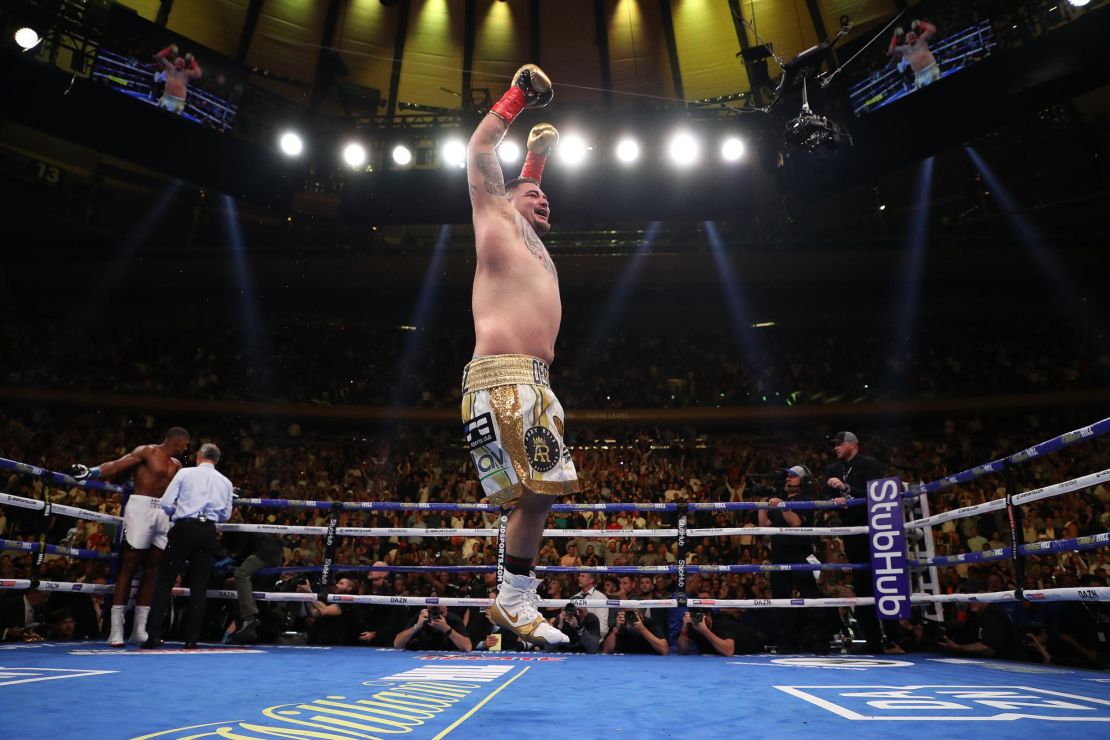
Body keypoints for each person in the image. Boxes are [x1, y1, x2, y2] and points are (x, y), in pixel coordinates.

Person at [461, 63, 578, 647]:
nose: (545, 200)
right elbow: (481, 148)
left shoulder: (531, 242)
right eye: (535, 193)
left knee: (537, 494)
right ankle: (513, 598)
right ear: (505, 198)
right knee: (538, 492)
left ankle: (513, 596)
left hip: (531, 382)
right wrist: (518, 98)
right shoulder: (496, 218)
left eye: (546, 194)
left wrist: (538, 158)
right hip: (505, 377)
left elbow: (526, 187)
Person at [69, 426, 191, 646]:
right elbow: (118, 464)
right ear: (178, 441)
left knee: (153, 568)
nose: (187, 448)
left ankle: (139, 630)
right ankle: (116, 630)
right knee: (129, 563)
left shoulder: (178, 465)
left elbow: (188, 491)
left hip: (163, 512)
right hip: (140, 507)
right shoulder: (147, 451)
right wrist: (93, 472)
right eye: (186, 444)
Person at [141, 443, 234, 649]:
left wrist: (177, 513)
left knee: (164, 583)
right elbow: (226, 515)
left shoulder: (185, 474)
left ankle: (153, 636)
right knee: (199, 588)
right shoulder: (226, 482)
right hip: (207, 532)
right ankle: (192, 640)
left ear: (199, 456)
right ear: (216, 460)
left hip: (184, 529)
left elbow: (165, 503)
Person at [822, 431, 886, 651]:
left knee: (885, 581)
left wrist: (846, 488)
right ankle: (873, 640)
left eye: (839, 444)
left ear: (852, 444)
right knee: (862, 583)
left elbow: (879, 495)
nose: (835, 448)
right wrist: (835, 499)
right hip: (852, 530)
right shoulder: (832, 469)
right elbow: (825, 496)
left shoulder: (869, 465)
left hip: (877, 530)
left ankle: (894, 639)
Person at [758, 465, 833, 653]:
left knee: (811, 598)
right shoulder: (781, 501)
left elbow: (796, 522)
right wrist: (761, 504)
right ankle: (786, 642)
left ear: (803, 481)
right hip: (779, 557)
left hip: (800, 556)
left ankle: (820, 641)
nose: (788, 479)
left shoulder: (806, 500)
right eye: (787, 476)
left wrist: (782, 505)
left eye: (793, 476)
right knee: (780, 601)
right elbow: (766, 526)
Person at [223, 531, 283, 644]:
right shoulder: (253, 540)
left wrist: (233, 556)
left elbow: (242, 539)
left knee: (240, 575)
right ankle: (245, 629)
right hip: (275, 557)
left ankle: (248, 620)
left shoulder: (236, 531)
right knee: (243, 590)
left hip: (265, 553)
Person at [887, 19, 938, 90]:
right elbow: (890, 51)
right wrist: (895, 36)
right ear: (905, 40)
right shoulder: (904, 49)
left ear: (916, 35)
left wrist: (919, 23)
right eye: (909, 36)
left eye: (912, 35)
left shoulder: (921, 40)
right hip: (919, 75)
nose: (911, 36)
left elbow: (932, 29)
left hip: (932, 70)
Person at [393, 606, 472, 652]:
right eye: (433, 611)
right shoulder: (421, 618)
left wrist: (447, 629)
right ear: (427, 609)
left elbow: (467, 647)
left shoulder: (453, 619)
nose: (437, 615)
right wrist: (416, 627)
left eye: (441, 613)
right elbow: (397, 644)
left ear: (446, 610)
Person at [153, 44, 201, 115]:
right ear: (174, 62)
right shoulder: (169, 67)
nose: (180, 62)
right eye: (179, 61)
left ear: (184, 66)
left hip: (178, 102)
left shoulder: (186, 73)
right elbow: (158, 57)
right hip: (166, 98)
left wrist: (192, 61)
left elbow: (198, 74)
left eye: (182, 62)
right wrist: (169, 49)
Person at [602, 608, 668, 655]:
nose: (631, 617)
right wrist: (616, 629)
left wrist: (643, 630)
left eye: (634, 614)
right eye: (628, 615)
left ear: (641, 616)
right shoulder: (620, 624)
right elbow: (606, 650)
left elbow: (664, 650)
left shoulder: (650, 624)